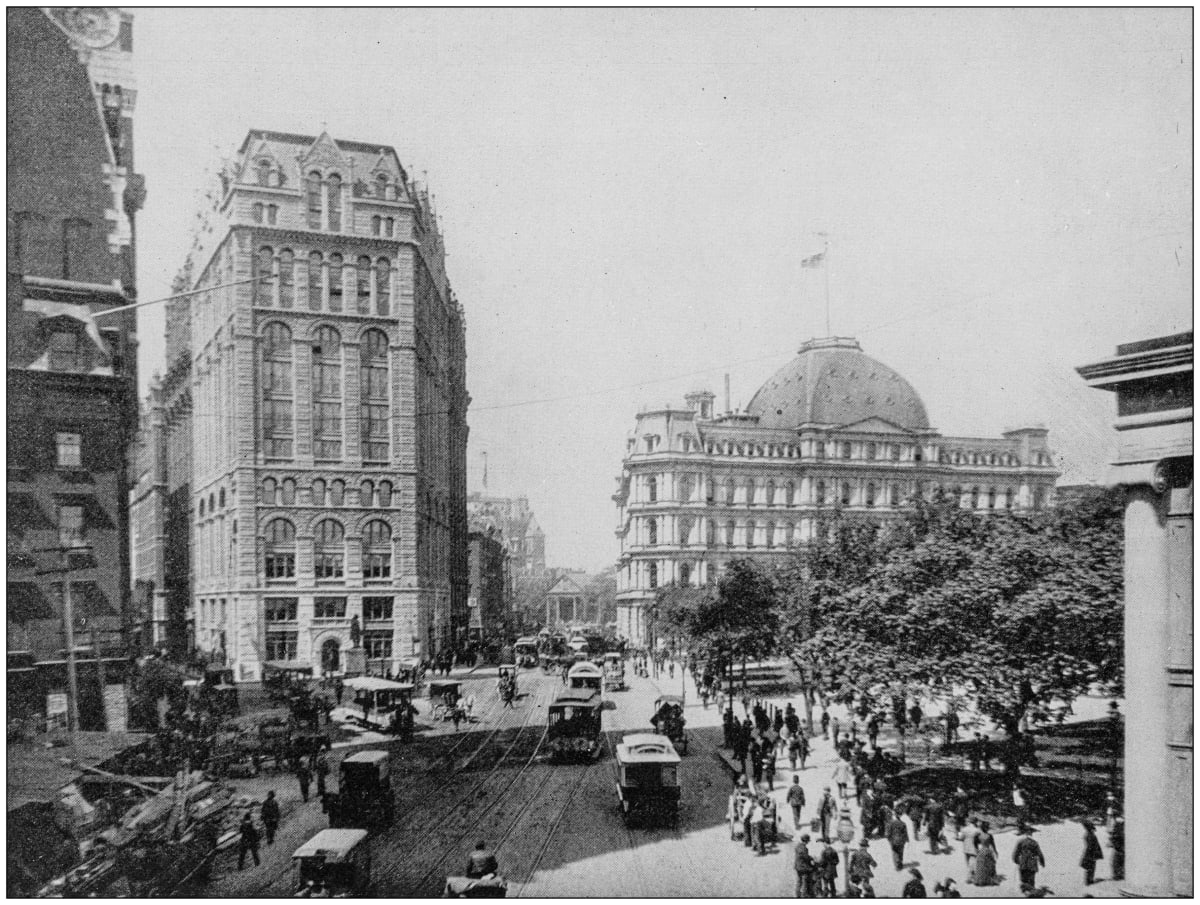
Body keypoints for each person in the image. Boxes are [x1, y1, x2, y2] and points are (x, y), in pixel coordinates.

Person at [1012, 824, 1045, 893]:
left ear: (1025, 833)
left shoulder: (1020, 841)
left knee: (1023, 876)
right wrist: (1042, 862)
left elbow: (1016, 852)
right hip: (1032, 862)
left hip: (1023, 862)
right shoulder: (1034, 843)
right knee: (1031, 877)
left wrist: (1016, 860)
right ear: (1031, 833)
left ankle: (1025, 889)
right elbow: (1039, 853)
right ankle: (1031, 889)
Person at [973, 821, 998, 886]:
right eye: (987, 827)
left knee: (982, 866)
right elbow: (993, 845)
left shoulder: (978, 835)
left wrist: (976, 849)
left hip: (981, 851)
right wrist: (995, 851)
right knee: (990, 866)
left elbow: (974, 843)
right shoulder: (989, 836)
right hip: (987, 850)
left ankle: (981, 881)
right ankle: (990, 880)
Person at [1080, 819, 1104, 886]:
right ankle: (1088, 881)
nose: (1094, 829)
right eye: (1092, 827)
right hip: (1090, 854)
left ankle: (1089, 880)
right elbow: (1091, 846)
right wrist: (1093, 854)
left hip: (1090, 853)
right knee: (1090, 868)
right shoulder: (1090, 835)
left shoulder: (1089, 834)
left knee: (1090, 867)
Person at [962, 817, 979, 882]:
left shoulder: (964, 829)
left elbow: (961, 838)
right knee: (974, 863)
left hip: (966, 848)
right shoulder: (977, 830)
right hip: (974, 848)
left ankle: (969, 877)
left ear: (969, 822)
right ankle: (971, 877)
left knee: (968, 863)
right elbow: (979, 840)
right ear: (976, 822)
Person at [1109, 816, 1124, 881]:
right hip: (1120, 847)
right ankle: (1118, 875)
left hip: (1119, 848)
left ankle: (1117, 875)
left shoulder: (1118, 827)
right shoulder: (1120, 827)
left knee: (1116, 862)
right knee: (1117, 862)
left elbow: (1113, 836)